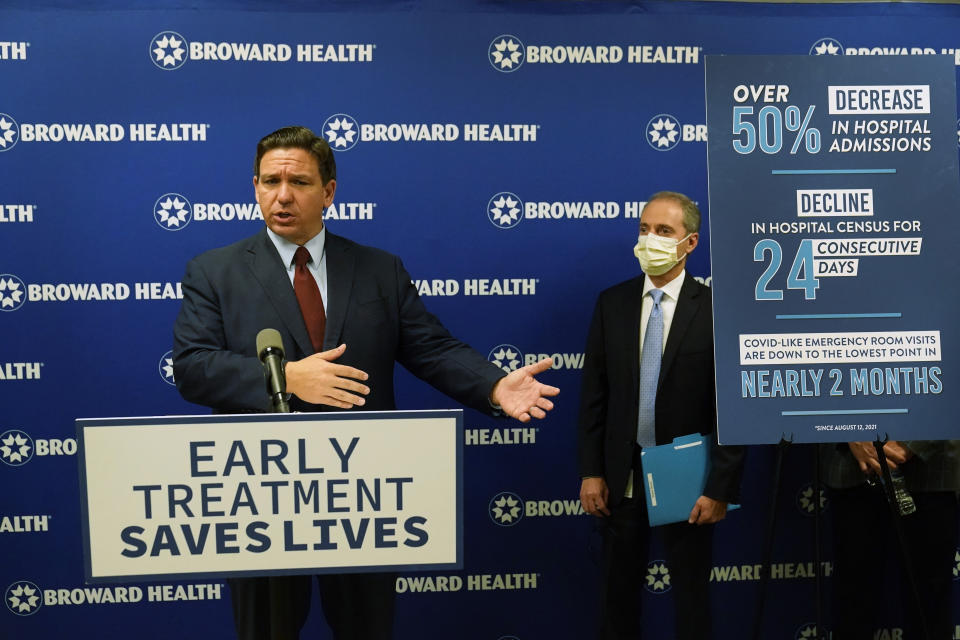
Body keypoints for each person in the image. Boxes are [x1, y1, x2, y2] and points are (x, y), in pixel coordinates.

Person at [172, 125, 559, 640]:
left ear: (329, 191)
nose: (282, 195)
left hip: (362, 494)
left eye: (299, 182)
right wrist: (286, 379)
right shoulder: (214, 272)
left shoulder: (379, 270)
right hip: (260, 497)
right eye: (269, 181)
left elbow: (432, 348)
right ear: (256, 186)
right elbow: (193, 367)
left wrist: (492, 387)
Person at [577, 191, 745, 640]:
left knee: (692, 601)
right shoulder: (611, 303)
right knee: (616, 600)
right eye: (644, 229)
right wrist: (592, 471)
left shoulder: (715, 310)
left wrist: (719, 487)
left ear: (689, 243)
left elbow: (732, 406)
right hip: (620, 478)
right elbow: (594, 395)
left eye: (663, 231)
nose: (649, 239)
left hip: (689, 481)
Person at [822, 439, 960, 638]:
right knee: (852, 608)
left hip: (932, 467)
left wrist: (914, 442)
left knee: (930, 610)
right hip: (852, 466)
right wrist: (850, 433)